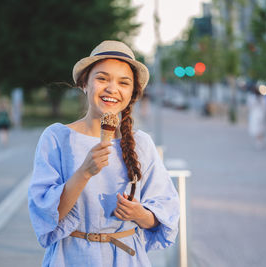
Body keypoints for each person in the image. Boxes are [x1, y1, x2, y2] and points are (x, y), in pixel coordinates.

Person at [28, 40, 180, 267]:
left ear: (132, 92)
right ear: (84, 84)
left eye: (124, 82)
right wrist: (84, 172)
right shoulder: (57, 138)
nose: (112, 88)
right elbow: (48, 217)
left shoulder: (142, 144)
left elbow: (165, 215)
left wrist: (139, 214)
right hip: (71, 258)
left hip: (128, 258)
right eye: (102, 78)